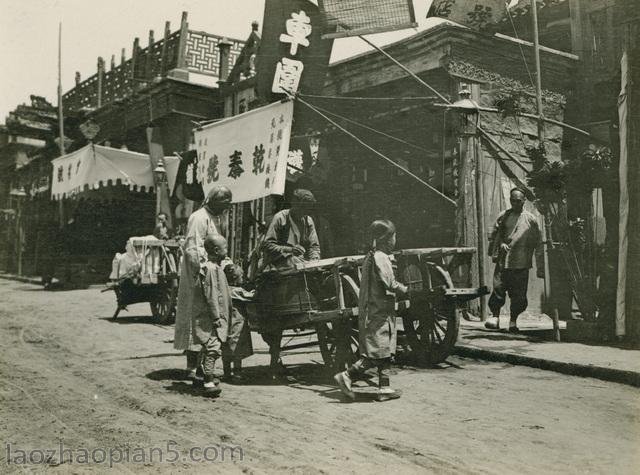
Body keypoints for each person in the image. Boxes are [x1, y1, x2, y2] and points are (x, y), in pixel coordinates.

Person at [334, 220, 408, 402]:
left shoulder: (372, 256)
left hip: (379, 309)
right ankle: (347, 375)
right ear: (386, 239)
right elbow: (389, 283)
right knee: (375, 353)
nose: (395, 240)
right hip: (378, 311)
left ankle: (384, 388)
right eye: (394, 236)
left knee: (384, 350)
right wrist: (407, 290)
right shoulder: (381, 257)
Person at [259, 188, 321, 380]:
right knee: (274, 316)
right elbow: (267, 245)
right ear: (294, 204)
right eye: (303, 207)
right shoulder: (280, 219)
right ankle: (274, 360)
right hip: (276, 266)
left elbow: (314, 246)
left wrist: (314, 261)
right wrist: (289, 249)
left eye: (308, 208)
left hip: (299, 266)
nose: (305, 211)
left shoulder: (308, 221)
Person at [174, 186, 232, 382]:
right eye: (222, 203)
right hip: (198, 277)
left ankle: (203, 368)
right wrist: (203, 274)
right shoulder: (199, 217)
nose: (225, 208)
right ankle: (192, 368)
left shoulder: (218, 217)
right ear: (212, 201)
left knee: (209, 321)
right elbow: (192, 249)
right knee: (196, 320)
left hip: (213, 275)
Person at [484, 188, 542, 332]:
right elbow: (495, 235)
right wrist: (500, 244)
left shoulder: (531, 219)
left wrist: (538, 262)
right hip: (504, 262)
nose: (515, 203)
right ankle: (495, 317)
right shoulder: (503, 216)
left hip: (521, 263)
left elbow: (538, 241)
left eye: (518, 201)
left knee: (519, 296)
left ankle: (513, 322)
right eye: (512, 200)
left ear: (524, 201)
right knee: (498, 289)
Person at [191, 234, 232, 396]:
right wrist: (216, 317)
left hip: (213, 315)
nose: (227, 251)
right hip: (210, 317)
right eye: (225, 248)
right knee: (213, 348)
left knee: (206, 345)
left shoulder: (215, 268)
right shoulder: (210, 270)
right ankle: (208, 381)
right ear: (216, 250)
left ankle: (200, 374)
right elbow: (212, 295)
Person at [222, 263, 255, 382]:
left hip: (226, 323)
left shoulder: (225, 289)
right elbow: (251, 296)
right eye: (242, 275)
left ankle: (226, 373)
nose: (243, 277)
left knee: (225, 347)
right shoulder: (237, 291)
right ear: (236, 278)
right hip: (238, 324)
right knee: (237, 347)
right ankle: (237, 374)